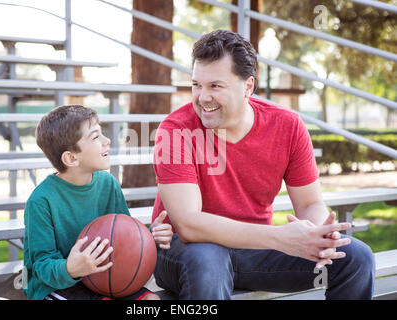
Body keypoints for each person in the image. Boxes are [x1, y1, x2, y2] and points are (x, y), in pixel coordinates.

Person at [151, 30, 375, 300]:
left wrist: (317, 235)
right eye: (196, 85)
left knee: (356, 258)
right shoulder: (175, 130)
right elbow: (189, 225)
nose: (202, 97)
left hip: (254, 250)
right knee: (209, 258)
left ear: (248, 86)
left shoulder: (287, 126)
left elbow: (309, 204)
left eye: (215, 86)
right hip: (185, 251)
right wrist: (279, 237)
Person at [23, 105, 172, 300]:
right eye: (95, 137)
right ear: (71, 158)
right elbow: (41, 265)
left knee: (151, 300)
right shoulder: (41, 201)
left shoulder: (107, 183)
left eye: (102, 133)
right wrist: (71, 268)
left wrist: (151, 239)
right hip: (58, 285)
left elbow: (123, 239)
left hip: (103, 277)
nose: (107, 141)